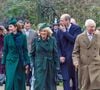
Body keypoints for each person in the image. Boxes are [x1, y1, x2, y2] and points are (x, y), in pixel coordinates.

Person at [2, 18, 30, 90]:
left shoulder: (23, 37)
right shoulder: (7, 37)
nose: (9, 28)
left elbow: (25, 50)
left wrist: (27, 62)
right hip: (10, 61)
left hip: (20, 62)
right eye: (9, 26)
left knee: (19, 80)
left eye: (11, 26)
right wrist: (3, 63)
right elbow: (5, 51)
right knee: (10, 80)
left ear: (15, 27)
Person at [30, 23, 60, 90]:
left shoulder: (52, 40)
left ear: (48, 32)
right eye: (41, 31)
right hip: (39, 66)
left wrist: (57, 66)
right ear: (39, 32)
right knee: (39, 84)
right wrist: (32, 64)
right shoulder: (35, 40)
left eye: (45, 31)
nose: (43, 33)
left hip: (50, 65)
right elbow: (32, 54)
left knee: (50, 85)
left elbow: (55, 54)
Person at [72, 19, 100, 90]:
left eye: (94, 27)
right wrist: (75, 61)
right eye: (91, 27)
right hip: (84, 66)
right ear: (86, 27)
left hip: (96, 65)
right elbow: (75, 52)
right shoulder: (80, 37)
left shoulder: (98, 36)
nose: (93, 29)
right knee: (85, 87)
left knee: (96, 86)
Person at [57, 14, 82, 90]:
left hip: (74, 60)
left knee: (75, 81)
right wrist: (60, 55)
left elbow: (74, 40)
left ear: (67, 20)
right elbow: (57, 45)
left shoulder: (77, 29)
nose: (60, 22)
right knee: (66, 79)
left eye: (62, 20)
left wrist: (65, 32)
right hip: (64, 60)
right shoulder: (59, 31)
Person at [22, 20, 37, 89]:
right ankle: (24, 83)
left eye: (29, 26)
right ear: (24, 25)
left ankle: (30, 84)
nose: (27, 27)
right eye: (26, 25)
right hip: (23, 53)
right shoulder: (21, 32)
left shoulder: (34, 33)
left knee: (31, 69)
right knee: (23, 68)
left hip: (31, 53)